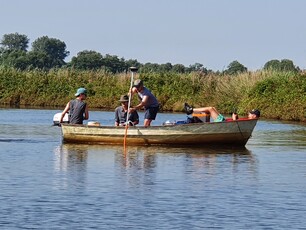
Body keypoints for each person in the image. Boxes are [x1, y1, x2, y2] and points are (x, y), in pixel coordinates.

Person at [184, 103, 260, 122]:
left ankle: (191, 110)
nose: (248, 114)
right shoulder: (248, 120)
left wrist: (234, 119)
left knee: (210, 109)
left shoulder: (250, 121)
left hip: (223, 122)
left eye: (250, 113)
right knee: (212, 108)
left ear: (254, 116)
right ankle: (194, 114)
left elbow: (235, 124)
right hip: (224, 120)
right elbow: (238, 122)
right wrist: (236, 117)